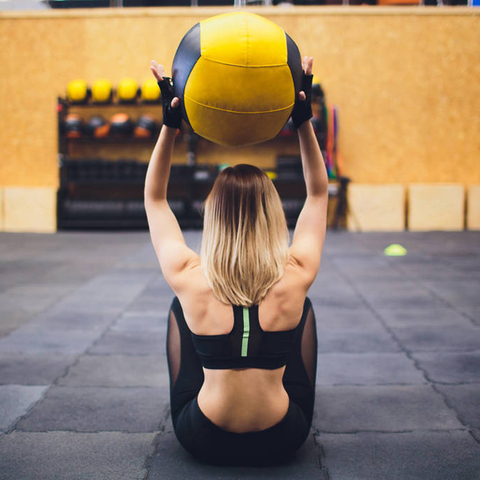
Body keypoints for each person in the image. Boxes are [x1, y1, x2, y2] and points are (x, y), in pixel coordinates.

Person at [144, 57, 329, 466]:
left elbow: (155, 199)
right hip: (284, 437)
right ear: (272, 213)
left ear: (214, 213)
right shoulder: (297, 273)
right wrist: (303, 120)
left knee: (182, 306)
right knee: (303, 308)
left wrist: (169, 125)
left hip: (203, 438)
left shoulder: (188, 275)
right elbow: (318, 193)